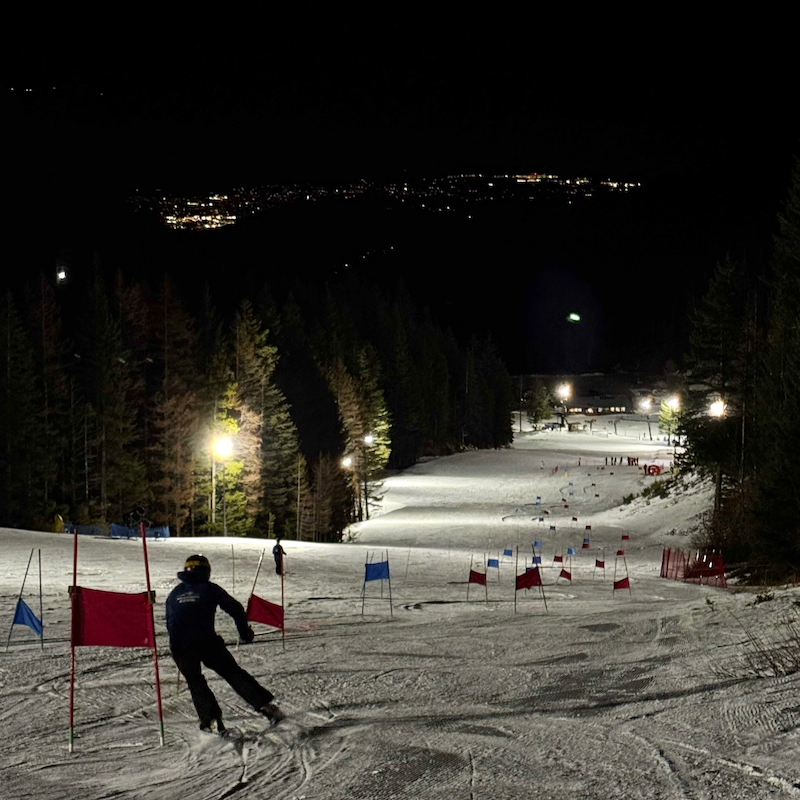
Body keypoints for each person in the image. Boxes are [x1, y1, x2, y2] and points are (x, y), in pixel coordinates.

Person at [165, 554, 283, 733]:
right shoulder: (209, 588)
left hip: (180, 646)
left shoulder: (174, 594)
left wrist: (177, 649)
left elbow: (170, 621)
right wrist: (244, 632)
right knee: (231, 672)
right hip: (206, 641)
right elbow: (234, 608)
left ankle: (210, 720)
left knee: (195, 681)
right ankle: (265, 706)